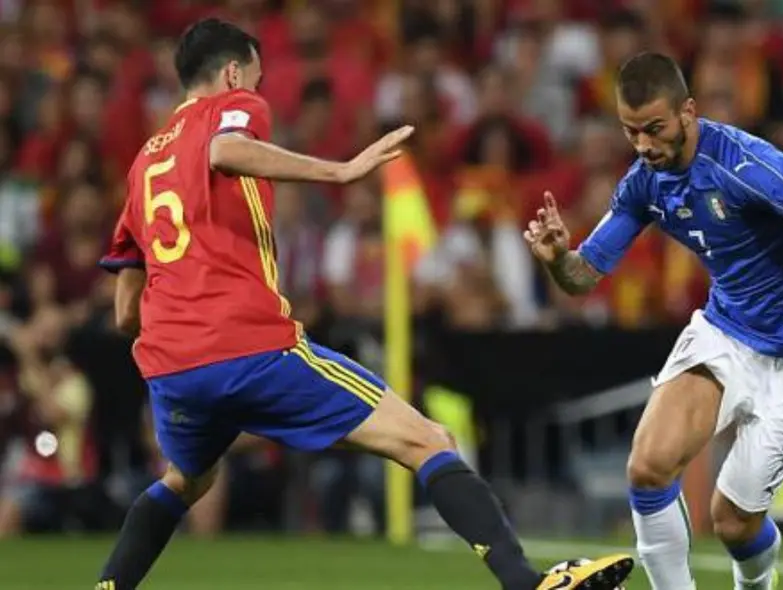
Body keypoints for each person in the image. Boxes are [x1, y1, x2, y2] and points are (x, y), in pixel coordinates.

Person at [93, 18, 632, 590]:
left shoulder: (142, 168)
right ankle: (527, 584)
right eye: (255, 76)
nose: (258, 89)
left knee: (185, 481)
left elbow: (127, 312)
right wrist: (341, 171)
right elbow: (228, 150)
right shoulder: (231, 109)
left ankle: (108, 586)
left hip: (172, 367)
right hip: (245, 345)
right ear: (232, 73)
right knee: (428, 439)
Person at [524, 52, 783, 590]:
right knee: (648, 466)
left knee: (733, 522)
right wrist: (558, 258)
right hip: (729, 329)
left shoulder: (748, 167)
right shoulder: (644, 182)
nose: (644, 145)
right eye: (631, 132)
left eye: (654, 128)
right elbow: (584, 276)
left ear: (687, 112)